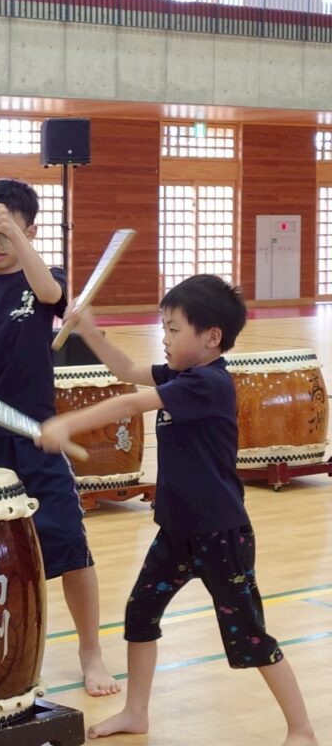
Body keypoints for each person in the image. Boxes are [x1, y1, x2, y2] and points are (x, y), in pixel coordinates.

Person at [38, 275, 318, 746]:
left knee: (249, 636)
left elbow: (131, 401)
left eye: (173, 329)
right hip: (176, 533)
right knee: (140, 615)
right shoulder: (182, 377)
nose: (164, 338)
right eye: (163, 328)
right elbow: (129, 370)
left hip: (220, 536)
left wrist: (67, 424)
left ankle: (301, 730)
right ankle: (136, 712)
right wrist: (88, 330)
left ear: (211, 337)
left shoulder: (207, 384)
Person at [0, 178, 118, 697]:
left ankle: (90, 652)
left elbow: (52, 296)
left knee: (70, 546)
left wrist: (15, 235)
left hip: (35, 438)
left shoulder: (45, 278)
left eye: (4, 234)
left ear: (30, 232)